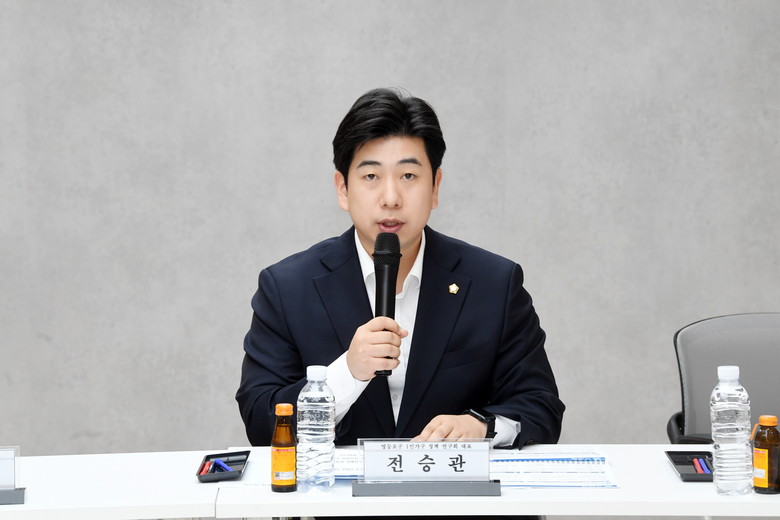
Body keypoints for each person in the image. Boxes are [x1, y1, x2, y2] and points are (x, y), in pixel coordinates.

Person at [236, 87, 564, 452]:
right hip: (336, 488)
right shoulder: (287, 287)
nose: (391, 198)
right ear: (343, 189)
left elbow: (541, 406)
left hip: (452, 488)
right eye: (371, 177)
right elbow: (259, 419)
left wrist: (482, 426)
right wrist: (346, 373)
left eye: (408, 176)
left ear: (435, 187)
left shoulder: (494, 283)